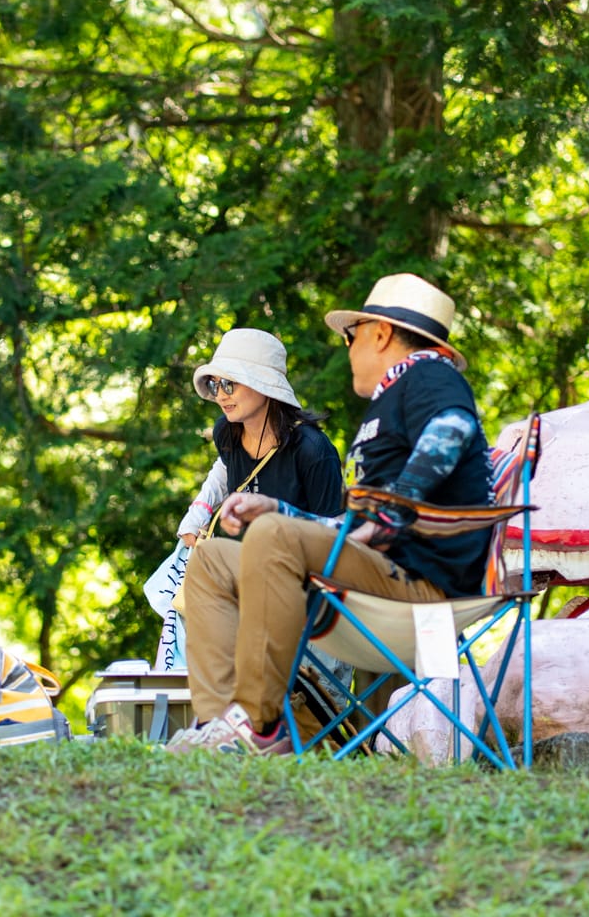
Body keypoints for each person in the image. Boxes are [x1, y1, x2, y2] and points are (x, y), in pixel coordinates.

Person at [168, 273, 493, 755]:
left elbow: (454, 426)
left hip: (417, 585)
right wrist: (277, 507)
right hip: (374, 571)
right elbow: (354, 526)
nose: (348, 349)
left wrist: (396, 505)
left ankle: (259, 723)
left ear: (380, 334)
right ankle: (221, 727)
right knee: (213, 559)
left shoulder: (427, 375)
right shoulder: (395, 398)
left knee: (272, 534)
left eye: (350, 336)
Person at [150, 328, 344, 669]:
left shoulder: (313, 451)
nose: (220, 395)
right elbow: (224, 469)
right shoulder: (227, 430)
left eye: (229, 384)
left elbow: (334, 536)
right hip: (244, 586)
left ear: (264, 385)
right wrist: (199, 512)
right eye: (214, 385)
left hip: (307, 603)